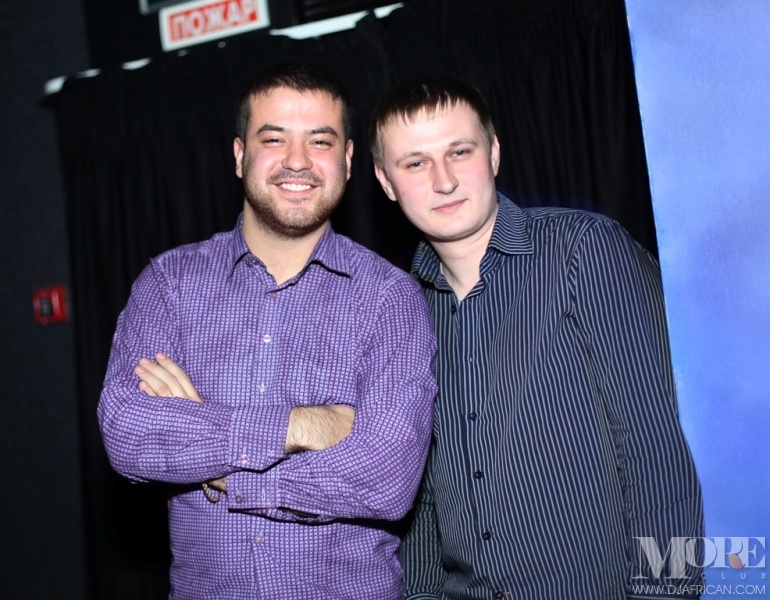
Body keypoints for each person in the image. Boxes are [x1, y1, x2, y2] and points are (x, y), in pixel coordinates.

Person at [97, 60, 437, 599]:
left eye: (320, 141)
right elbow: (126, 430)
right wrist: (301, 424)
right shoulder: (170, 284)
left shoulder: (389, 298)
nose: (297, 161)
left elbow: (387, 475)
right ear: (240, 155)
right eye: (274, 138)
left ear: (348, 160)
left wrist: (218, 464)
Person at [369, 75, 704, 599]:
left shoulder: (584, 251)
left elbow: (654, 444)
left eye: (460, 151)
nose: (444, 180)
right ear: (386, 182)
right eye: (415, 163)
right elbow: (424, 491)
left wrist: (668, 592)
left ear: (493, 153)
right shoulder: (402, 309)